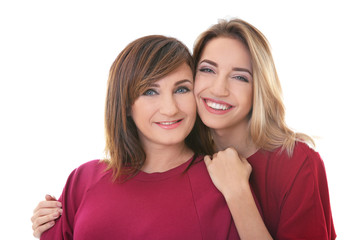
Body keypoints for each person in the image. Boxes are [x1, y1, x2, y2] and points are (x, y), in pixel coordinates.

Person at [32, 18, 336, 239]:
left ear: (260, 88)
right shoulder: (86, 179)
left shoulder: (289, 167)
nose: (219, 88)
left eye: (240, 77)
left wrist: (237, 191)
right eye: (207, 70)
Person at [34, 34, 243, 239]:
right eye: (150, 92)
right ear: (125, 104)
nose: (170, 109)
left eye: (181, 89)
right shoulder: (83, 179)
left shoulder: (223, 180)